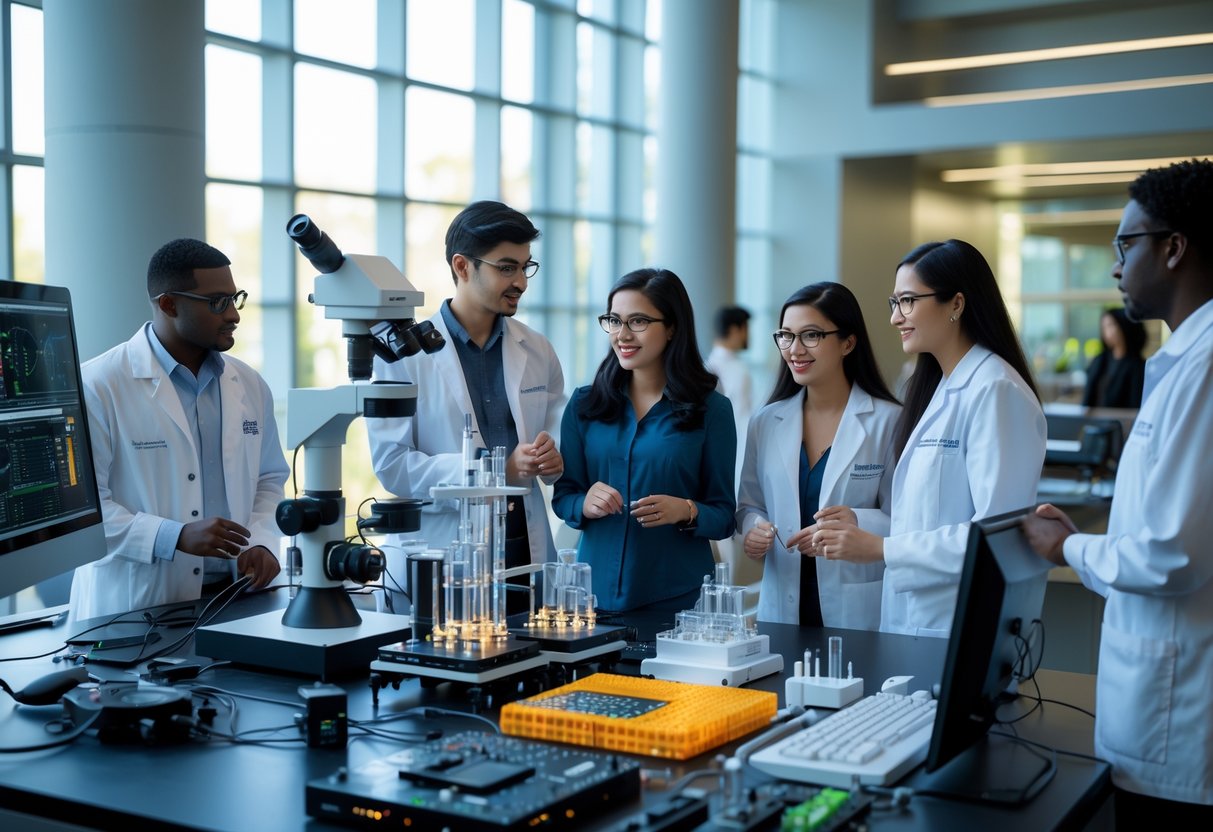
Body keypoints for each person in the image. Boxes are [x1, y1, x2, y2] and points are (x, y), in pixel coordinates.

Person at [1024, 159, 1213, 822]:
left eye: (1123, 244)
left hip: (1178, 729)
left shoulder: (1203, 368)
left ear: (1172, 247)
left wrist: (1067, 548)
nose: (1114, 266)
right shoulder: (1185, 362)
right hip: (1160, 709)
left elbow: (1171, 556)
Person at [811, 239, 1045, 638]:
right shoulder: (941, 387)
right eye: (894, 303)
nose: (895, 318)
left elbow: (998, 535)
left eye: (908, 302)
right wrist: (863, 525)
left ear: (956, 303)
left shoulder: (995, 390)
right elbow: (928, 519)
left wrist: (881, 550)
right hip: (918, 621)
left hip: (959, 625)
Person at [69, 239, 288, 622]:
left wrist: (262, 541)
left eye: (236, 298)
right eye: (218, 302)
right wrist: (174, 536)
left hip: (237, 600)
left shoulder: (249, 384)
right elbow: (84, 513)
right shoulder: (97, 385)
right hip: (136, 606)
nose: (234, 314)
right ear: (169, 304)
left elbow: (270, 479)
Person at [367, 201, 565, 614]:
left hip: (522, 548)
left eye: (526, 267)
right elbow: (392, 465)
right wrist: (493, 471)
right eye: (506, 268)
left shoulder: (537, 349)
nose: (521, 283)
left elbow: (557, 436)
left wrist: (552, 456)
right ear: (462, 266)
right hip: (442, 553)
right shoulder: (403, 356)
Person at [553, 268, 736, 613]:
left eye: (638, 322)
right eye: (614, 320)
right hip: (592, 597)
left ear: (671, 328)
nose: (622, 334)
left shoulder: (712, 410)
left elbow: (725, 515)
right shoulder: (584, 405)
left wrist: (686, 510)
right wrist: (584, 502)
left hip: (677, 600)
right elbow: (565, 496)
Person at [737, 282, 900, 629]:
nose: (795, 349)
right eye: (786, 336)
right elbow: (749, 505)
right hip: (781, 608)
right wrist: (753, 529)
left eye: (811, 335)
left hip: (859, 610)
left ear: (848, 342)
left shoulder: (890, 421)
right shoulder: (766, 422)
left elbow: (906, 519)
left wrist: (856, 521)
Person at [705, 305, 753, 477]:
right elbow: (739, 420)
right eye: (746, 329)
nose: (748, 336)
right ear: (735, 330)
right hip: (732, 454)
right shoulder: (723, 369)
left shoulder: (713, 365)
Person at [1081, 307, 1147, 409]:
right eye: (1104, 327)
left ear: (1124, 326)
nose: (1107, 332)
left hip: (1121, 422)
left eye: (1111, 325)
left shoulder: (1137, 366)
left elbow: (1135, 404)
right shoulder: (1100, 360)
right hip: (1094, 420)